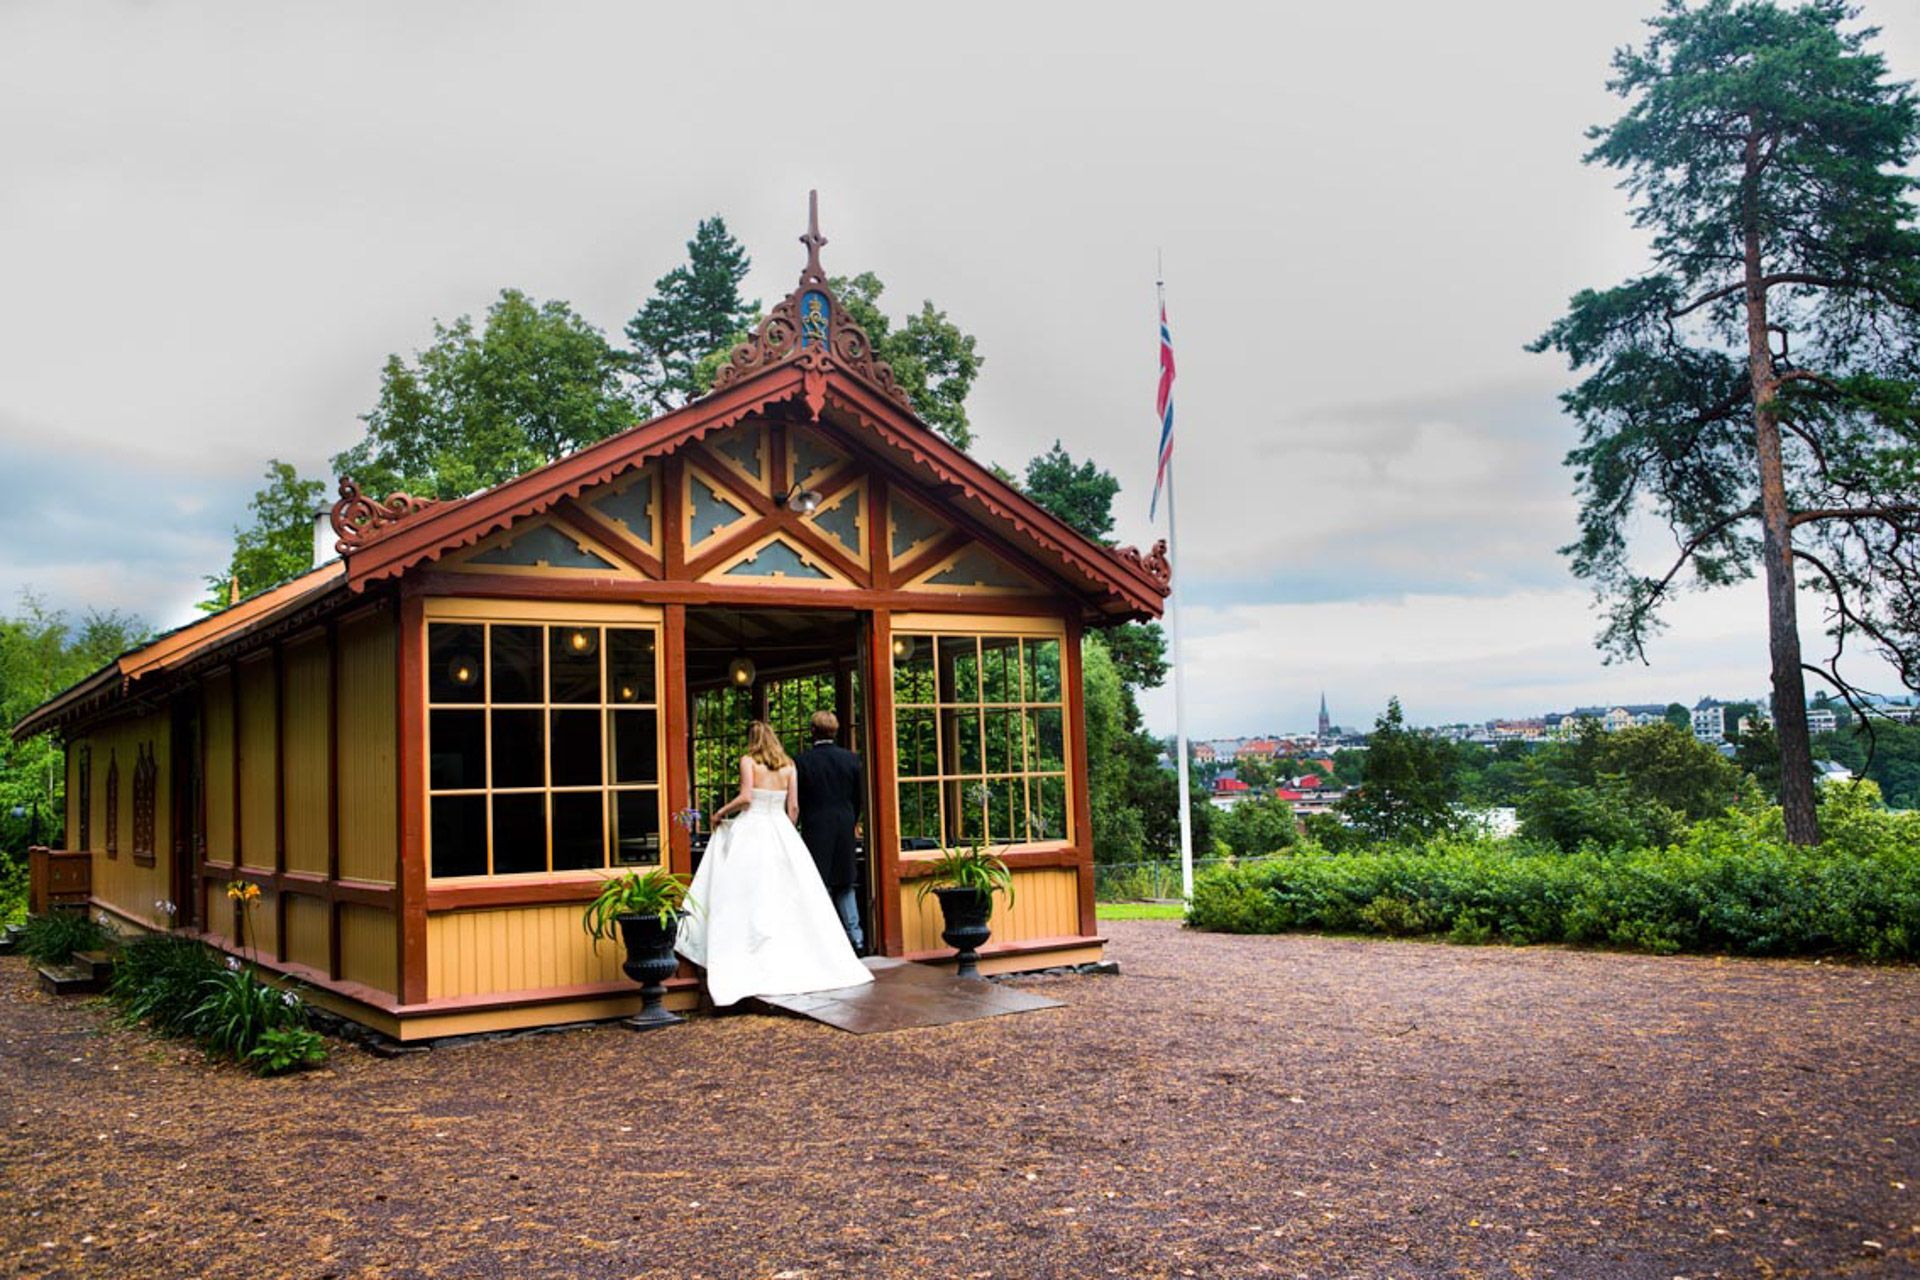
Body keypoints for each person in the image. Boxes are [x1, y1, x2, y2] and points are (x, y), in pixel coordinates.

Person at [674, 720, 872, 1007]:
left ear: (752, 740)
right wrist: (785, 830)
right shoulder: (789, 765)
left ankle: (747, 951)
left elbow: (746, 797)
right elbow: (794, 808)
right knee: (790, 894)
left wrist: (720, 812)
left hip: (752, 828)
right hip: (780, 828)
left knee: (744, 894)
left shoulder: (748, 761)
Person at [792, 709, 865, 953]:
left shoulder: (802, 761)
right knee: (846, 881)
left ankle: (825, 940)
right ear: (835, 731)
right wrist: (853, 820)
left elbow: (797, 800)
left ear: (812, 730)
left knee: (817, 882)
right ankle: (856, 937)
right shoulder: (851, 759)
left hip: (815, 825)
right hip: (844, 823)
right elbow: (858, 797)